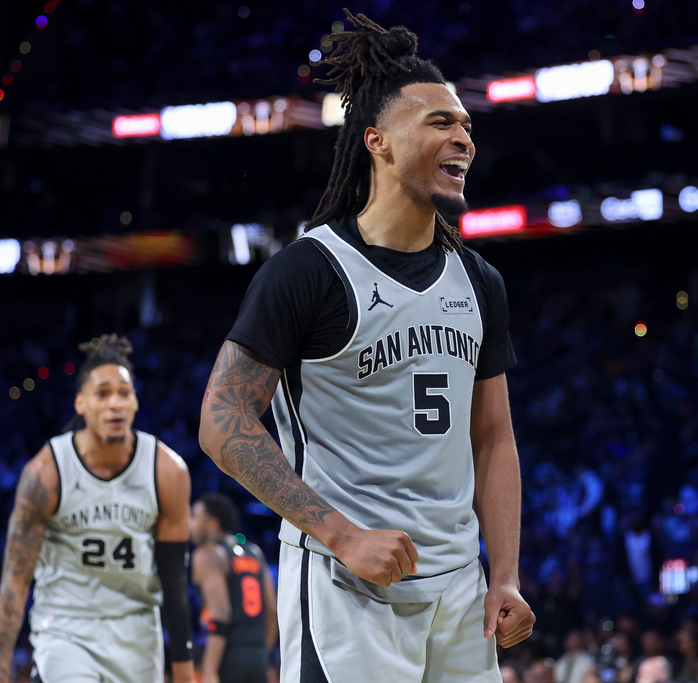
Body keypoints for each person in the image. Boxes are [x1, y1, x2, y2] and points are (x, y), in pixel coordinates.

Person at [198, 9, 534, 682]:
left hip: (460, 596)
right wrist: (341, 534)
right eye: (440, 122)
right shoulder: (309, 270)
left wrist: (505, 574)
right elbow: (221, 419)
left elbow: (494, 437)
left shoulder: (479, 281)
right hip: (347, 588)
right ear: (377, 141)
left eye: (467, 125)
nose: (463, 138)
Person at [0, 334, 194, 683]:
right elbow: (15, 581)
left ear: (136, 402)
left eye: (124, 393)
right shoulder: (46, 473)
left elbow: (174, 580)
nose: (115, 404)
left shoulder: (167, 471)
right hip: (66, 628)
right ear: (80, 403)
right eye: (103, 394)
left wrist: (184, 671)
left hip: (137, 632)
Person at [189, 491, 278, 683]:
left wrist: (209, 672)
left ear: (213, 523)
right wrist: (263, 654)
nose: (190, 525)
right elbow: (272, 610)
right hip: (258, 657)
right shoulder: (255, 552)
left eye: (195, 517)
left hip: (225, 657)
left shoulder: (208, 554)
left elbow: (220, 616)